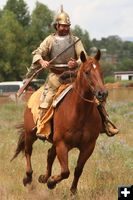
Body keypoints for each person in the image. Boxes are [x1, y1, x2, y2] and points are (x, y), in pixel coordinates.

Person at [26, 7, 118, 139]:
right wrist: (41, 61)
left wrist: (76, 63)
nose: (65, 28)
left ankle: (106, 123)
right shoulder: (50, 40)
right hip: (56, 76)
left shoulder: (75, 40)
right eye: (63, 26)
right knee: (47, 99)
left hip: (74, 75)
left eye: (67, 26)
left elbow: (83, 57)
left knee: (96, 98)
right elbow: (37, 53)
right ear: (57, 25)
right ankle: (42, 126)